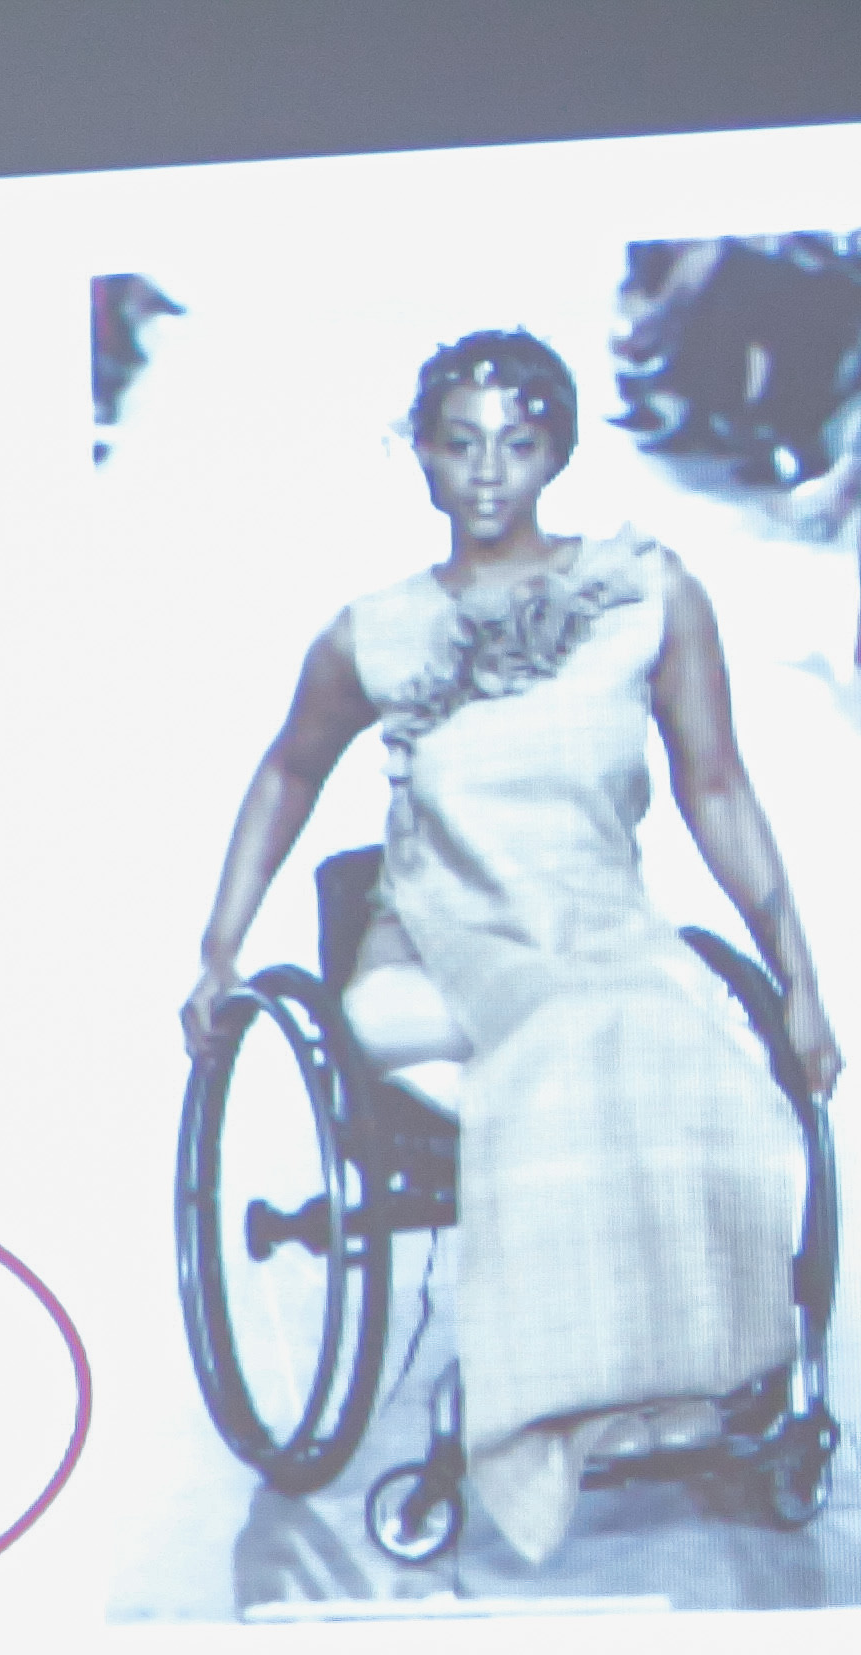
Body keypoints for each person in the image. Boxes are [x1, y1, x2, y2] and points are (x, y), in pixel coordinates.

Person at [177, 327, 838, 1564]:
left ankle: (677, 1383)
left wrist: (798, 976)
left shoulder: (646, 598)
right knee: (583, 1036)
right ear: (422, 457)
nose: (488, 471)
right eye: (461, 443)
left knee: (692, 1043)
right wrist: (219, 948)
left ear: (561, 452)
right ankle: (553, 1404)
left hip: (599, 924)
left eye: (519, 444)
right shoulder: (375, 633)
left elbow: (719, 788)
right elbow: (286, 773)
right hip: (437, 937)